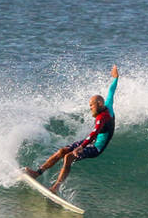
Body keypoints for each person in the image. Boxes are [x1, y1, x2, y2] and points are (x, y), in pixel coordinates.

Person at [24, 65, 118, 194]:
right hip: (90, 142)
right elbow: (111, 91)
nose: (90, 108)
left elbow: (95, 133)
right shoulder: (107, 105)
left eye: (91, 105)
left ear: (99, 104)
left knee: (68, 157)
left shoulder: (102, 118)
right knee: (63, 151)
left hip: (96, 148)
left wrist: (82, 146)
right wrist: (115, 78)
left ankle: (55, 187)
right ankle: (37, 173)